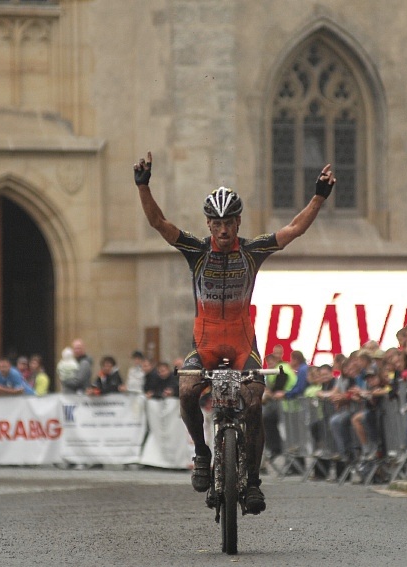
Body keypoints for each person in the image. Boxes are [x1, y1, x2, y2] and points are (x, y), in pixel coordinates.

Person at [134, 150, 336, 514]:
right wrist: (143, 186)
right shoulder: (195, 251)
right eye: (217, 223)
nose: (224, 229)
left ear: (239, 222)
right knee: (185, 392)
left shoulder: (252, 251)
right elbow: (159, 223)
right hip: (206, 343)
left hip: (244, 344)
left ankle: (254, 483)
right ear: (208, 224)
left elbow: (294, 229)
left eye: (229, 222)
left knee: (255, 402)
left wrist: (318, 196)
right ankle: (200, 452)